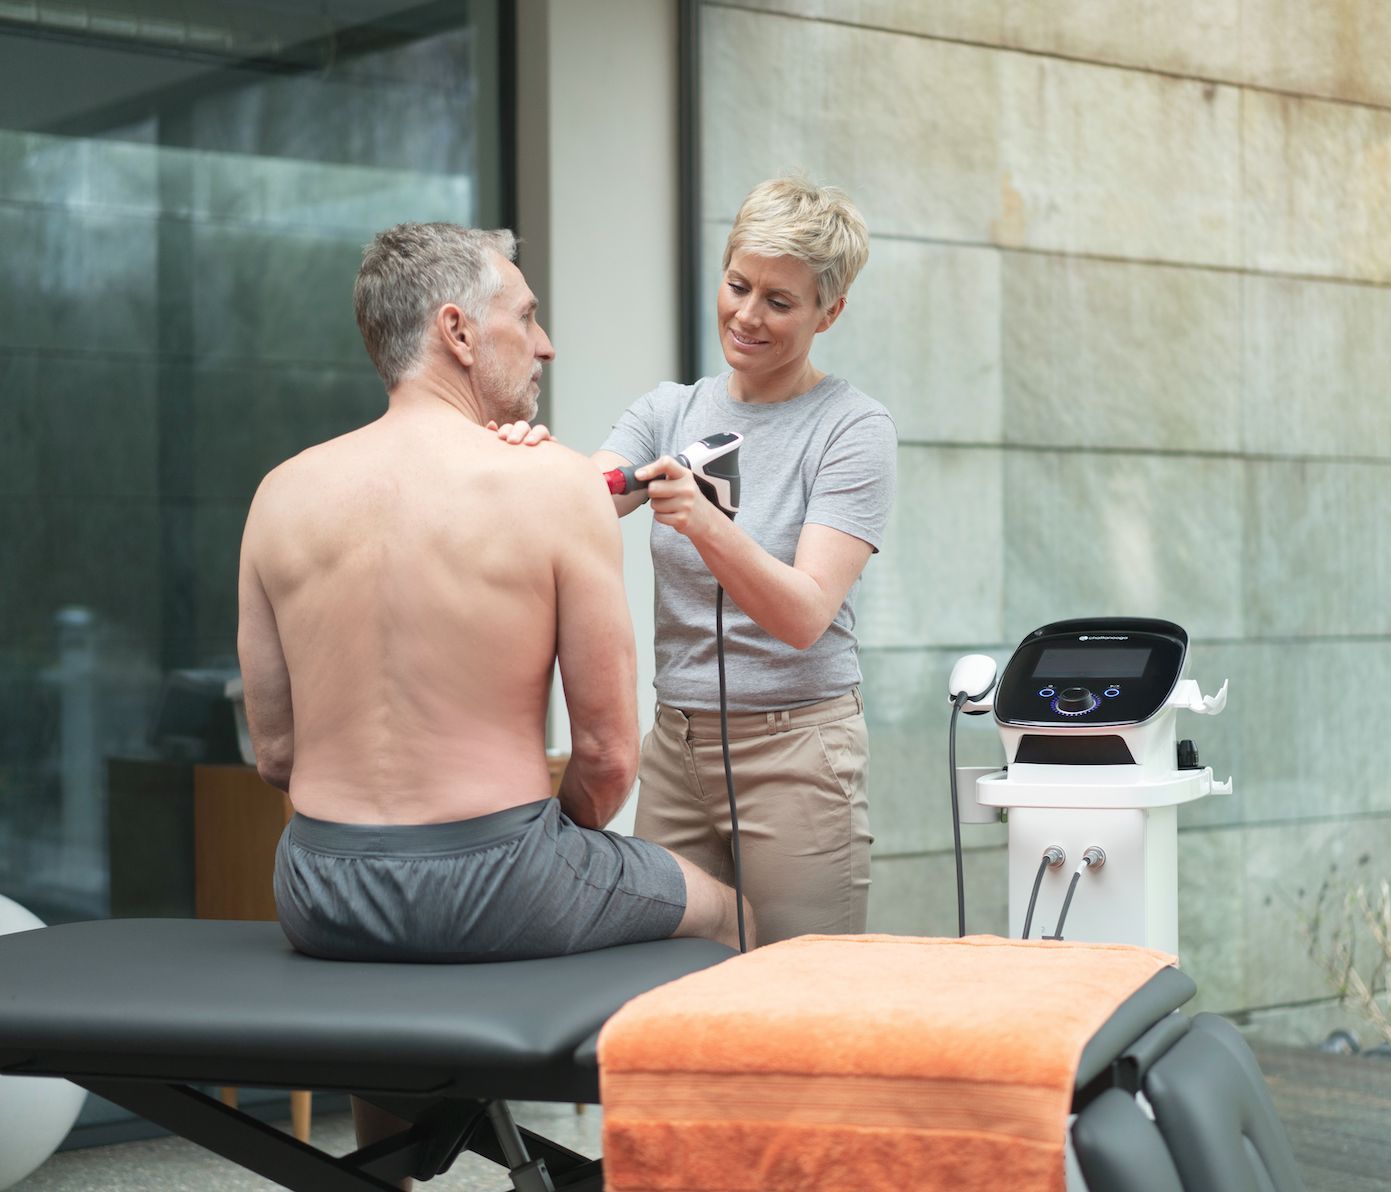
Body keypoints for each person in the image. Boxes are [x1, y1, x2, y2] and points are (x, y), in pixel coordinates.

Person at [236, 221, 749, 968]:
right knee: (735, 913)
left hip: (317, 888)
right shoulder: (557, 485)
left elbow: (277, 756)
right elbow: (607, 760)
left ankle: (422, 1091)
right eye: (527, 315)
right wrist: (549, 849)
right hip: (499, 879)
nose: (544, 345)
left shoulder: (279, 494)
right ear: (459, 332)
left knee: (391, 1030)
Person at [593, 176, 896, 945]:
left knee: (801, 997)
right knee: (665, 985)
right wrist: (512, 461)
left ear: (830, 311)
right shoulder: (668, 411)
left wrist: (705, 523)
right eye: (737, 286)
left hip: (797, 752)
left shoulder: (851, 430)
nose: (747, 316)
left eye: (780, 302)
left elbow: (803, 615)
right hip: (678, 747)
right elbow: (582, 497)